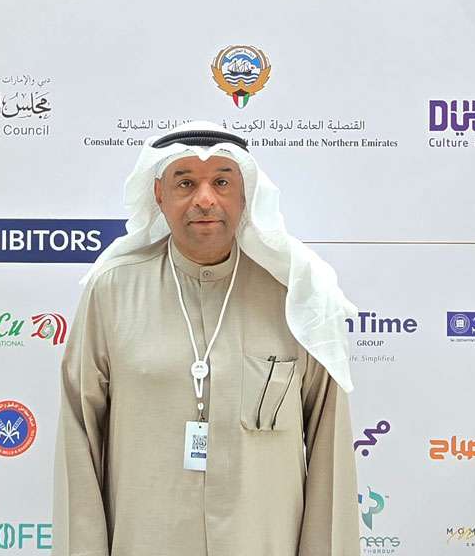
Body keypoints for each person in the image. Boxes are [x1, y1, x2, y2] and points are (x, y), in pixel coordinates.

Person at [53, 121, 359, 556]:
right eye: (185, 183)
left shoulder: (298, 297)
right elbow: (79, 441)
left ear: (245, 192)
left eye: (221, 182)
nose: (204, 198)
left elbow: (331, 458)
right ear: (159, 194)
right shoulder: (113, 292)